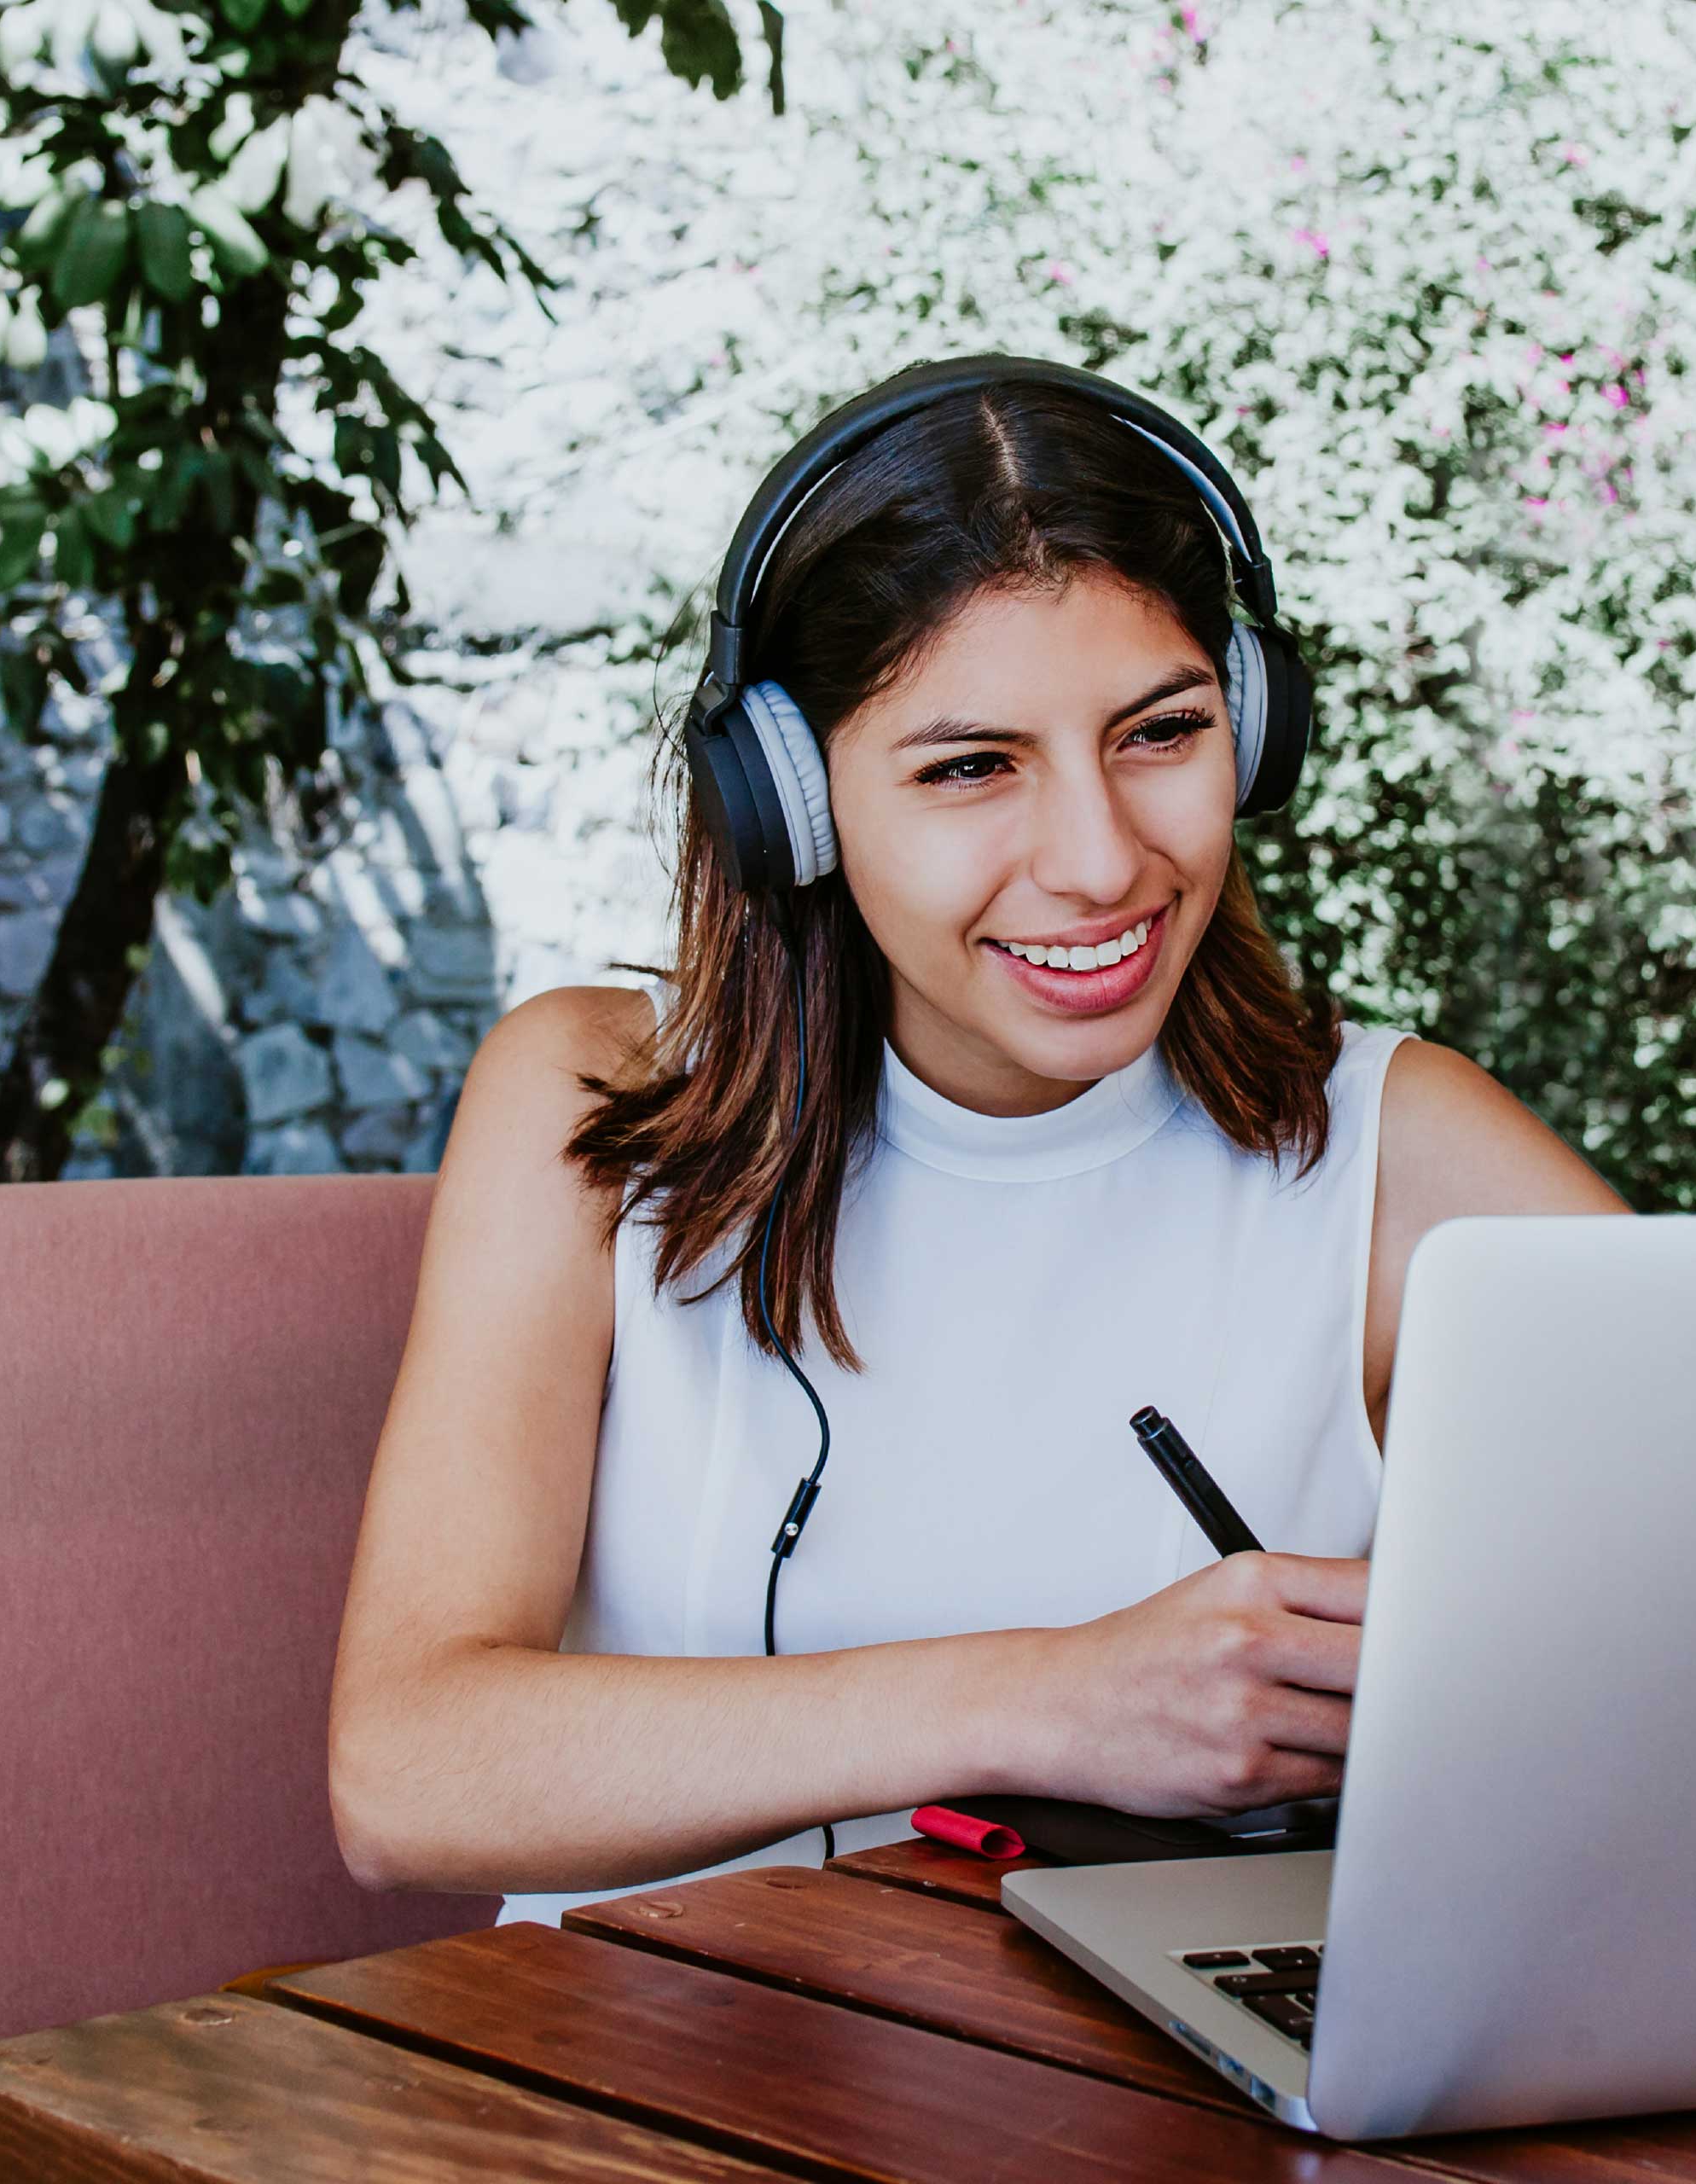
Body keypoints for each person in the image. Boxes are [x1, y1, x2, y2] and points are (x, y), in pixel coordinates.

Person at [327, 357, 1629, 1924]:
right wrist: (1049, 1701)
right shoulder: (590, 1108)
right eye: (968, 767)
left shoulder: (1400, 1155)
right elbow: (405, 1774)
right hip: (645, 2106)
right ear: (794, 802)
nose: (1098, 862)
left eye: (1162, 733)